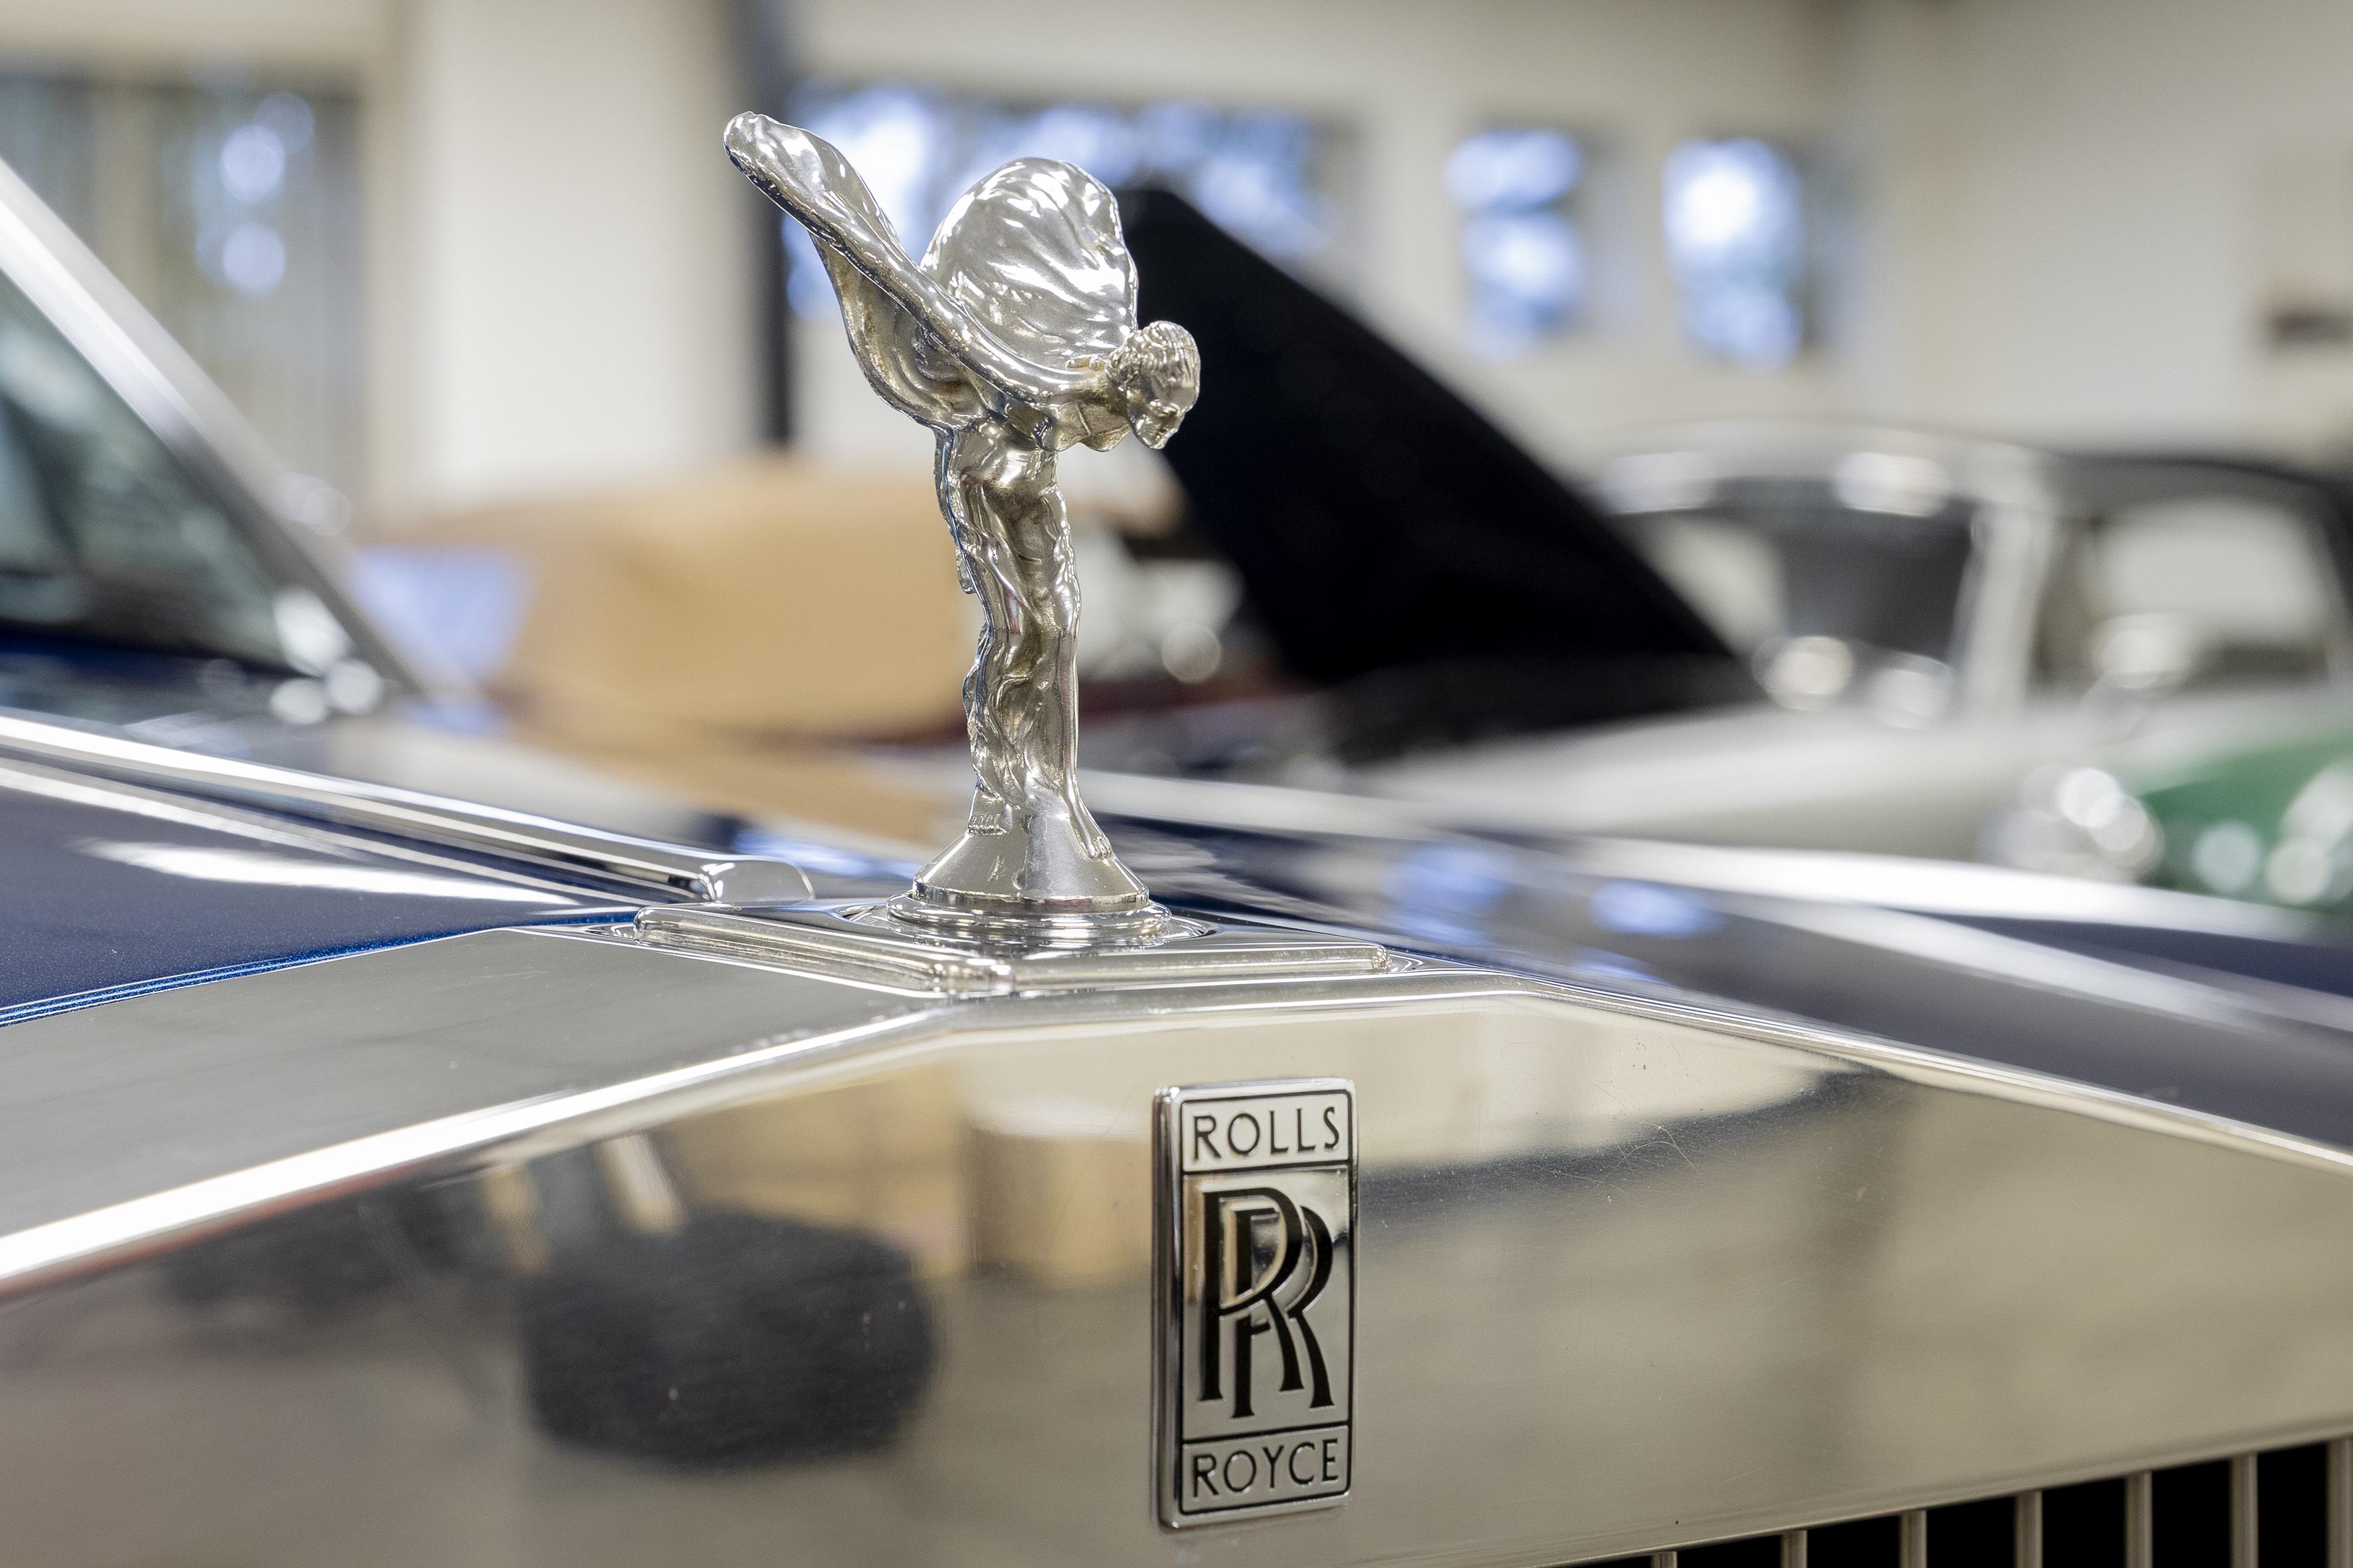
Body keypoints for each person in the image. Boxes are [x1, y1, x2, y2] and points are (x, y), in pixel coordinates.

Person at [726, 114, 1201, 924]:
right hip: (992, 482)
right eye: (1137, 414)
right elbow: (976, 350)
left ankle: (1043, 792)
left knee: (1055, 625)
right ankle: (1016, 795)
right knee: (1031, 630)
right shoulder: (1036, 387)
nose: (1124, 435)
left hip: (1022, 484)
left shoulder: (1065, 380)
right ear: (1130, 387)